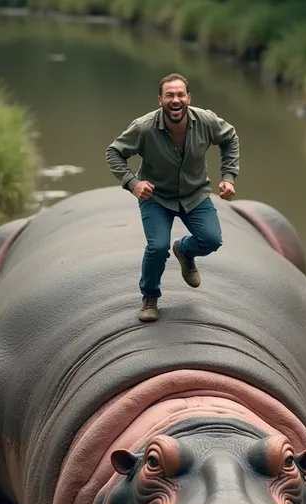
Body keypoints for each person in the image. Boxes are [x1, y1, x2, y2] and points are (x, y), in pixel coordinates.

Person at [105, 73, 239, 322]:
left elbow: (230, 138)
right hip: (156, 197)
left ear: (188, 98)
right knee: (157, 248)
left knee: (211, 240)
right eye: (169, 95)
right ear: (160, 100)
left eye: (180, 94)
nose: (175, 100)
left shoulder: (206, 122)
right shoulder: (144, 127)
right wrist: (133, 183)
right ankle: (150, 297)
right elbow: (114, 152)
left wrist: (228, 177)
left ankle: (185, 251)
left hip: (195, 194)